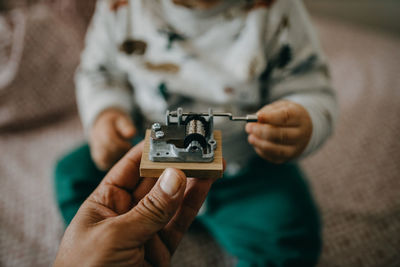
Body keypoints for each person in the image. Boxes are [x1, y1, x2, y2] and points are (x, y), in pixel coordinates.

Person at [55, 0, 337, 266]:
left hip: (244, 166)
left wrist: (304, 120)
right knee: (72, 175)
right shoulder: (122, 7)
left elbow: (310, 85)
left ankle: (197, 215)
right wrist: (105, 115)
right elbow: (100, 73)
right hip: (146, 156)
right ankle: (134, 229)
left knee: (290, 235)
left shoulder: (277, 9)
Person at [54, 143, 218, 266]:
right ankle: (97, 238)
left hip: (228, 184)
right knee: (68, 171)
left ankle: (110, 235)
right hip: (143, 136)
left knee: (245, 240)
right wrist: (105, 114)